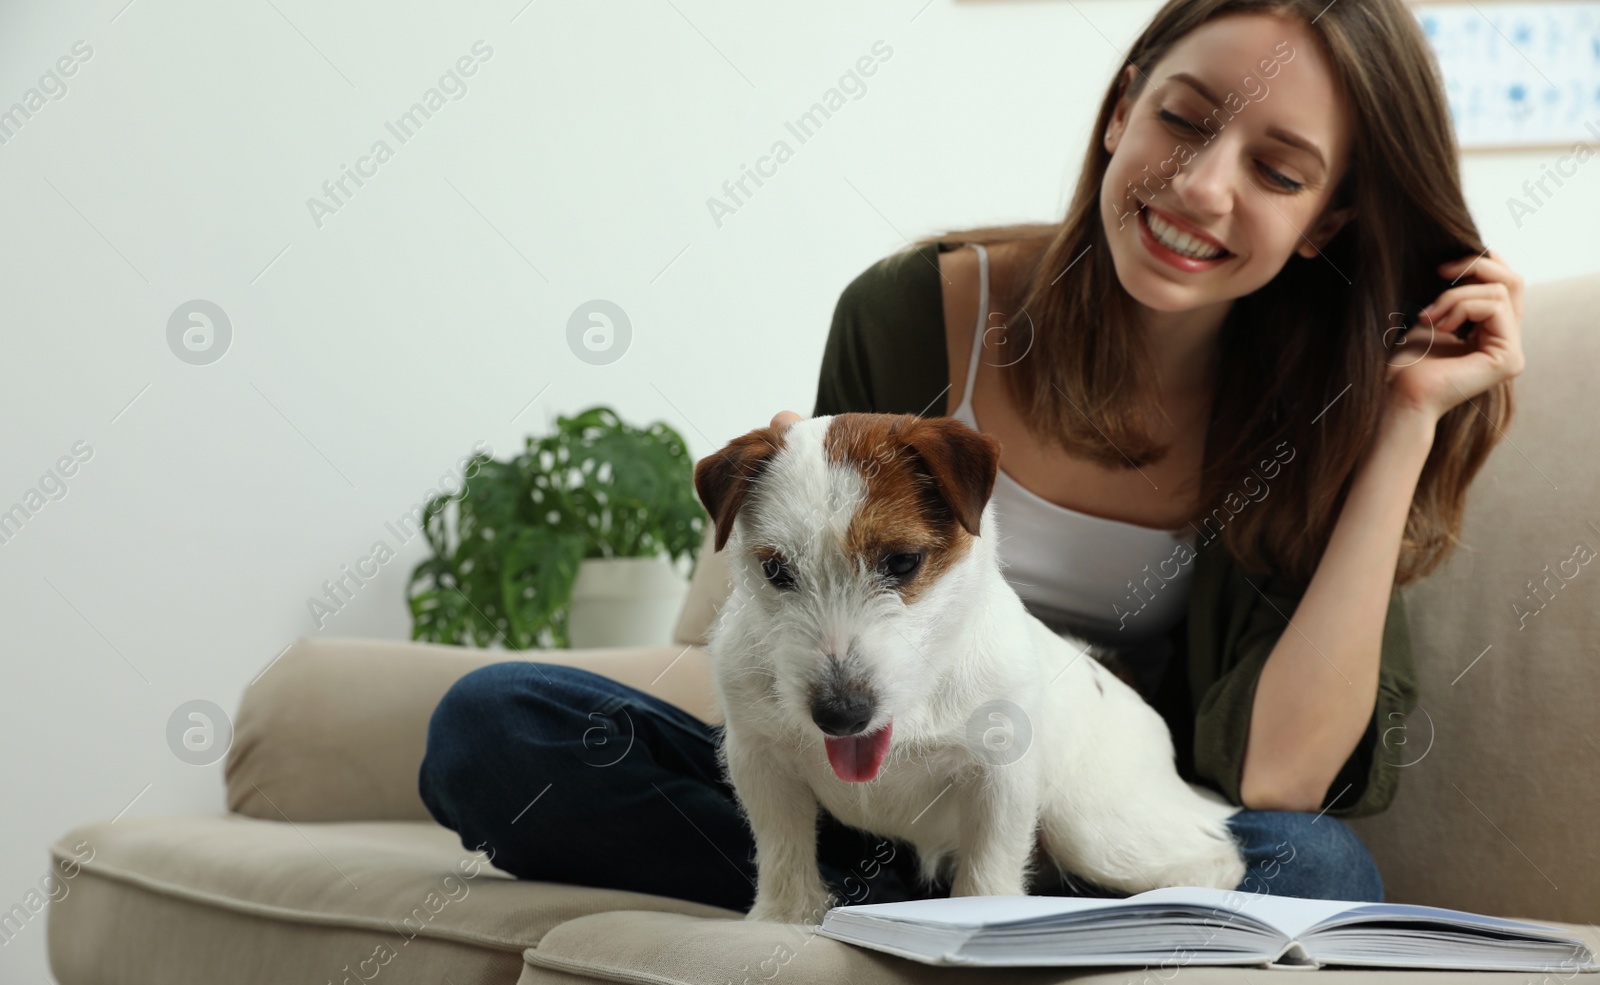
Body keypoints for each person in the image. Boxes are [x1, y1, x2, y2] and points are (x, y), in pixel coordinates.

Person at [419, 0, 1524, 912]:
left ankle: (952, 912)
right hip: (869, 788)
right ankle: (869, 896)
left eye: (1278, 173)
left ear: (1327, 223)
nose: (1199, 186)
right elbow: (813, 610)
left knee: (1315, 867)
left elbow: (1280, 776)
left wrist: (1402, 427)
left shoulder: (1317, 414)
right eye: (1183, 120)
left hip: (1087, 816)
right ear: (1123, 103)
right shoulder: (917, 313)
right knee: (495, 727)